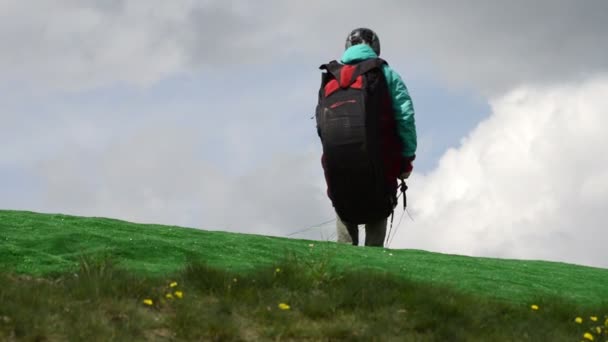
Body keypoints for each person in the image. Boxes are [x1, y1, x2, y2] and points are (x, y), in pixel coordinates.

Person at [315, 28, 417, 247]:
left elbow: (321, 127)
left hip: (337, 165)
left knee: (344, 206)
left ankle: (341, 273)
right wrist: (406, 160)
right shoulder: (385, 73)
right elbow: (405, 117)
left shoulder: (331, 75)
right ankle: (371, 273)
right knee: (377, 207)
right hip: (378, 163)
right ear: (375, 47)